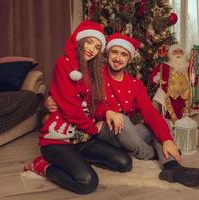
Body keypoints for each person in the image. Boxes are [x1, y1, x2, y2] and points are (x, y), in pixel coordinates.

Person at [46, 33, 199, 187]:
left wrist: (167, 139)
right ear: (107, 54)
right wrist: (51, 99)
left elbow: (149, 112)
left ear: (129, 59)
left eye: (123, 54)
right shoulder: (96, 74)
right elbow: (78, 96)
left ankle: (172, 167)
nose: (118, 58)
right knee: (123, 120)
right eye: (114, 52)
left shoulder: (135, 84)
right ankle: (150, 153)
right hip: (102, 130)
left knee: (157, 123)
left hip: (128, 135)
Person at [24, 21, 132, 194]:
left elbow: (96, 105)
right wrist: (93, 131)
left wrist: (108, 111)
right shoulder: (63, 63)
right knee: (87, 182)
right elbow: (71, 108)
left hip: (82, 139)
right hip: (57, 142)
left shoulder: (92, 72)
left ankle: (75, 160)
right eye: (89, 42)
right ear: (79, 40)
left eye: (97, 47)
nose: (92, 49)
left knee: (125, 163)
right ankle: (42, 165)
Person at [149, 44, 198, 122]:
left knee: (184, 117)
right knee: (169, 117)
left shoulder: (188, 65)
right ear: (170, 54)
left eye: (180, 51)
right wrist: (157, 79)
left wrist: (193, 78)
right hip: (169, 97)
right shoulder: (164, 65)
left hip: (185, 97)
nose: (178, 53)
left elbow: (194, 82)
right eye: (175, 51)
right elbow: (152, 78)